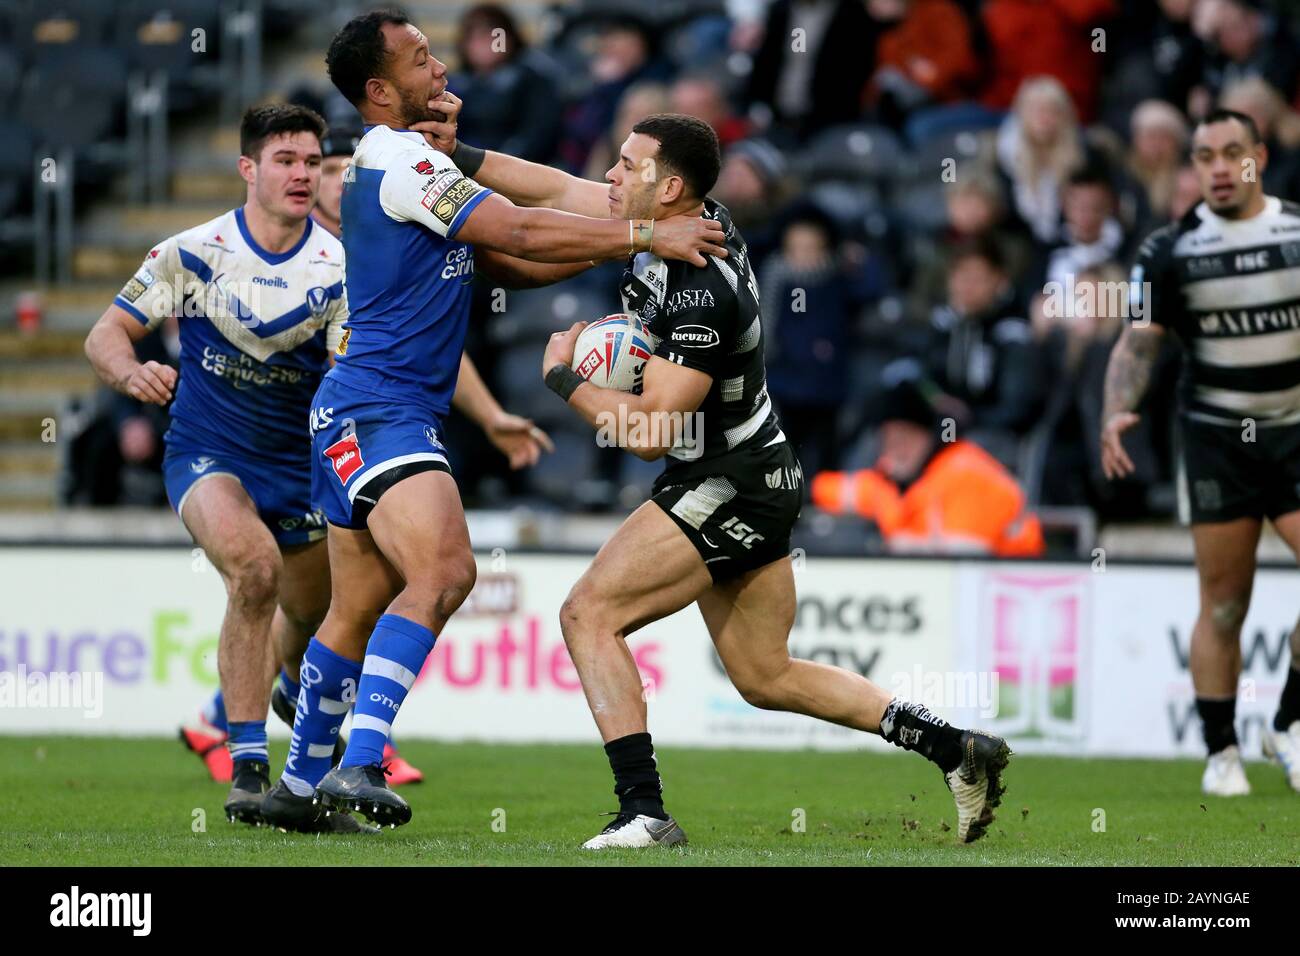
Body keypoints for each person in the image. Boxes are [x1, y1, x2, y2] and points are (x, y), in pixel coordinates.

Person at [430, 111, 1012, 847]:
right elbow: (556, 189)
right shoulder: (677, 221)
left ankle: (642, 810)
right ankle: (956, 749)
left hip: (726, 477)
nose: (610, 176)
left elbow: (648, 436)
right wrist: (465, 154)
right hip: (756, 469)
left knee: (587, 615)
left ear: (669, 187)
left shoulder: (699, 285)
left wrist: (562, 380)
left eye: (626, 165)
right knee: (765, 675)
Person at [275, 9, 727, 830]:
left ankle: (299, 788)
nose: (439, 65)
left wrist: (619, 244)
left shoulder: (403, 163)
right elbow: (519, 224)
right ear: (380, 90)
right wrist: (642, 234)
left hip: (358, 410)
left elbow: (506, 259)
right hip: (380, 410)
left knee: (356, 607)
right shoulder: (403, 162)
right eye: (418, 59)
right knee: (446, 572)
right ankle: (363, 761)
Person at [84, 104, 357, 828]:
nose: (302, 174)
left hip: (300, 468)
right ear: (248, 169)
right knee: (253, 569)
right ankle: (247, 765)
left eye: (311, 161)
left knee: (312, 617)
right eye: (286, 160)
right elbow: (106, 333)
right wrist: (129, 372)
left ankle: (304, 731)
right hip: (208, 455)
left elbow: (346, 377)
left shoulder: (340, 268)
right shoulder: (193, 254)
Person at [1101, 109, 1300, 796]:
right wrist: (1115, 410)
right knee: (1223, 606)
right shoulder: (1168, 250)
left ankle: (1290, 719)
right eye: (1203, 155)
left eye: (1231, 153)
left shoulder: (1296, 233)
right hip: (1218, 442)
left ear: (1259, 159)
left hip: (1297, 434)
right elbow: (1138, 343)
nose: (1217, 167)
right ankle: (1222, 754)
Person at [811, 376, 1045, 556]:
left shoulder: (965, 473)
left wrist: (894, 546)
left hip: (1009, 590)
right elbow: (838, 490)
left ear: (928, 437)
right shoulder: (889, 479)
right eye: (889, 440)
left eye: (905, 439)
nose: (896, 449)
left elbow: (966, 557)